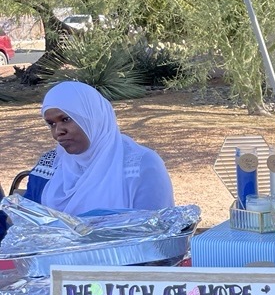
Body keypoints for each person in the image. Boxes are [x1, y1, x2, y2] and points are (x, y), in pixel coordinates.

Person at [25, 81, 174, 215]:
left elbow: (156, 231)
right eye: (51, 124)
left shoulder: (142, 165)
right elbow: (27, 222)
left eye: (66, 119)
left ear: (93, 117)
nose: (58, 131)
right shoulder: (50, 168)